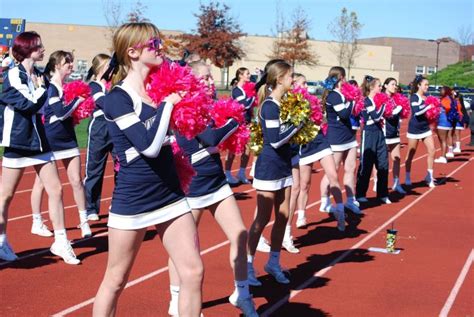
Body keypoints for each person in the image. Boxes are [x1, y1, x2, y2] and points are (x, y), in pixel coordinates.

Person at [93, 22, 203, 316]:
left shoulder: (158, 88)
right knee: (115, 281)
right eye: (153, 44)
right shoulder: (117, 98)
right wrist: (167, 106)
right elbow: (148, 147)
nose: (160, 48)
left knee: (193, 272)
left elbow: (170, 138)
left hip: (169, 193)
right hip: (134, 200)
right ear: (133, 52)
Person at [167, 61, 258, 317]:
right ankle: (175, 298)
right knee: (184, 248)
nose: (210, 82)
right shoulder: (186, 106)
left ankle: (241, 293)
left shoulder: (210, 107)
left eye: (211, 78)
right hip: (193, 187)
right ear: (194, 81)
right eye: (205, 78)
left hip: (216, 182)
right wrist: (234, 121)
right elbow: (211, 138)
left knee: (240, 234)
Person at [0, 32, 80, 264]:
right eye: (39, 46)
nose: (43, 49)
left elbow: (43, 102)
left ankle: (61, 241)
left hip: (40, 141)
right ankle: (2, 241)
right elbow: (30, 104)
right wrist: (42, 89)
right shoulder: (13, 75)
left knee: (56, 190)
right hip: (18, 141)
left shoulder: (38, 74)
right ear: (27, 49)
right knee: (5, 196)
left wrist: (43, 87)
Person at [247, 60, 300, 286]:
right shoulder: (269, 106)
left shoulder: (285, 103)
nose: (293, 79)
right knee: (262, 219)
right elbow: (275, 140)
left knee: (284, 215)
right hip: (269, 167)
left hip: (283, 166)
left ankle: (273, 262)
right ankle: (247, 266)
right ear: (279, 79)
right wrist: (298, 125)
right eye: (290, 76)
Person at [30, 50, 92, 240]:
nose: (71, 66)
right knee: (41, 183)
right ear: (57, 65)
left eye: (72, 63)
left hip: (68, 139)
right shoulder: (52, 88)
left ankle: (84, 222)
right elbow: (61, 112)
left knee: (76, 181)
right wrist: (78, 100)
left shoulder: (63, 86)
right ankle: (36, 221)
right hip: (51, 140)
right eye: (68, 63)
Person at [286, 73, 345, 254]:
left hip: (319, 140)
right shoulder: (289, 101)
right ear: (294, 84)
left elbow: (320, 118)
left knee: (333, 175)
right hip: (303, 145)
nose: (306, 86)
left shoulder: (311, 99)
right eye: (303, 83)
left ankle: (341, 213)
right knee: (303, 185)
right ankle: (298, 218)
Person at [322, 67, 362, 214]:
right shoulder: (333, 95)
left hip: (349, 136)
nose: (346, 81)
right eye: (344, 78)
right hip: (337, 137)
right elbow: (344, 114)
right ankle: (324, 200)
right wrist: (353, 101)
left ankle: (351, 200)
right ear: (340, 78)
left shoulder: (341, 94)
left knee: (351, 169)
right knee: (333, 171)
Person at [83, 53, 113, 221]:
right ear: (101, 68)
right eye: (109, 66)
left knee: (121, 167)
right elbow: (104, 103)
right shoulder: (94, 86)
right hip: (99, 128)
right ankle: (90, 208)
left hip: (115, 126)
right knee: (94, 169)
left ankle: (117, 202)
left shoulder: (114, 84)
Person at [355, 75, 391, 204]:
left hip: (379, 133)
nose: (381, 88)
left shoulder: (378, 101)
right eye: (379, 86)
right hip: (369, 133)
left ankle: (382, 193)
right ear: (371, 87)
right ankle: (360, 194)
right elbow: (376, 117)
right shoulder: (366, 101)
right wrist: (384, 105)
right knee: (366, 164)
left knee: (383, 163)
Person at [404, 75, 436, 188]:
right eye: (425, 85)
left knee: (432, 150)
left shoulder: (427, 97)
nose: (427, 87)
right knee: (411, 152)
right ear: (419, 85)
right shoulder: (414, 97)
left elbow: (430, 112)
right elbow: (417, 112)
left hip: (425, 127)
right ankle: (407, 176)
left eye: (428, 85)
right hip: (414, 128)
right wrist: (428, 107)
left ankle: (429, 176)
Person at [225, 67, 255, 184]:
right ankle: (227, 173)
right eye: (247, 74)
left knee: (247, 148)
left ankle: (241, 173)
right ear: (240, 75)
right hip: (237, 123)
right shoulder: (236, 90)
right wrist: (253, 96)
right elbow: (245, 105)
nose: (249, 75)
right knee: (232, 149)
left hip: (246, 123)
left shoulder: (247, 89)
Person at [381, 77, 406, 194]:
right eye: (392, 84)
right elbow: (385, 114)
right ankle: (377, 182)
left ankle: (396, 183)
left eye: (396, 84)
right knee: (381, 160)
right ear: (385, 86)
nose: (395, 86)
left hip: (394, 131)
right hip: (384, 131)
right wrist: (395, 110)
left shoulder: (396, 99)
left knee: (397, 158)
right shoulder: (380, 97)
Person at [435, 86, 455, 164]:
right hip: (447, 122)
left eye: (442, 90)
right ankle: (444, 156)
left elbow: (447, 107)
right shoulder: (449, 98)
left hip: (443, 122)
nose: (440, 91)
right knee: (443, 139)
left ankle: (443, 157)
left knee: (442, 140)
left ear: (446, 91)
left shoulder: (445, 99)